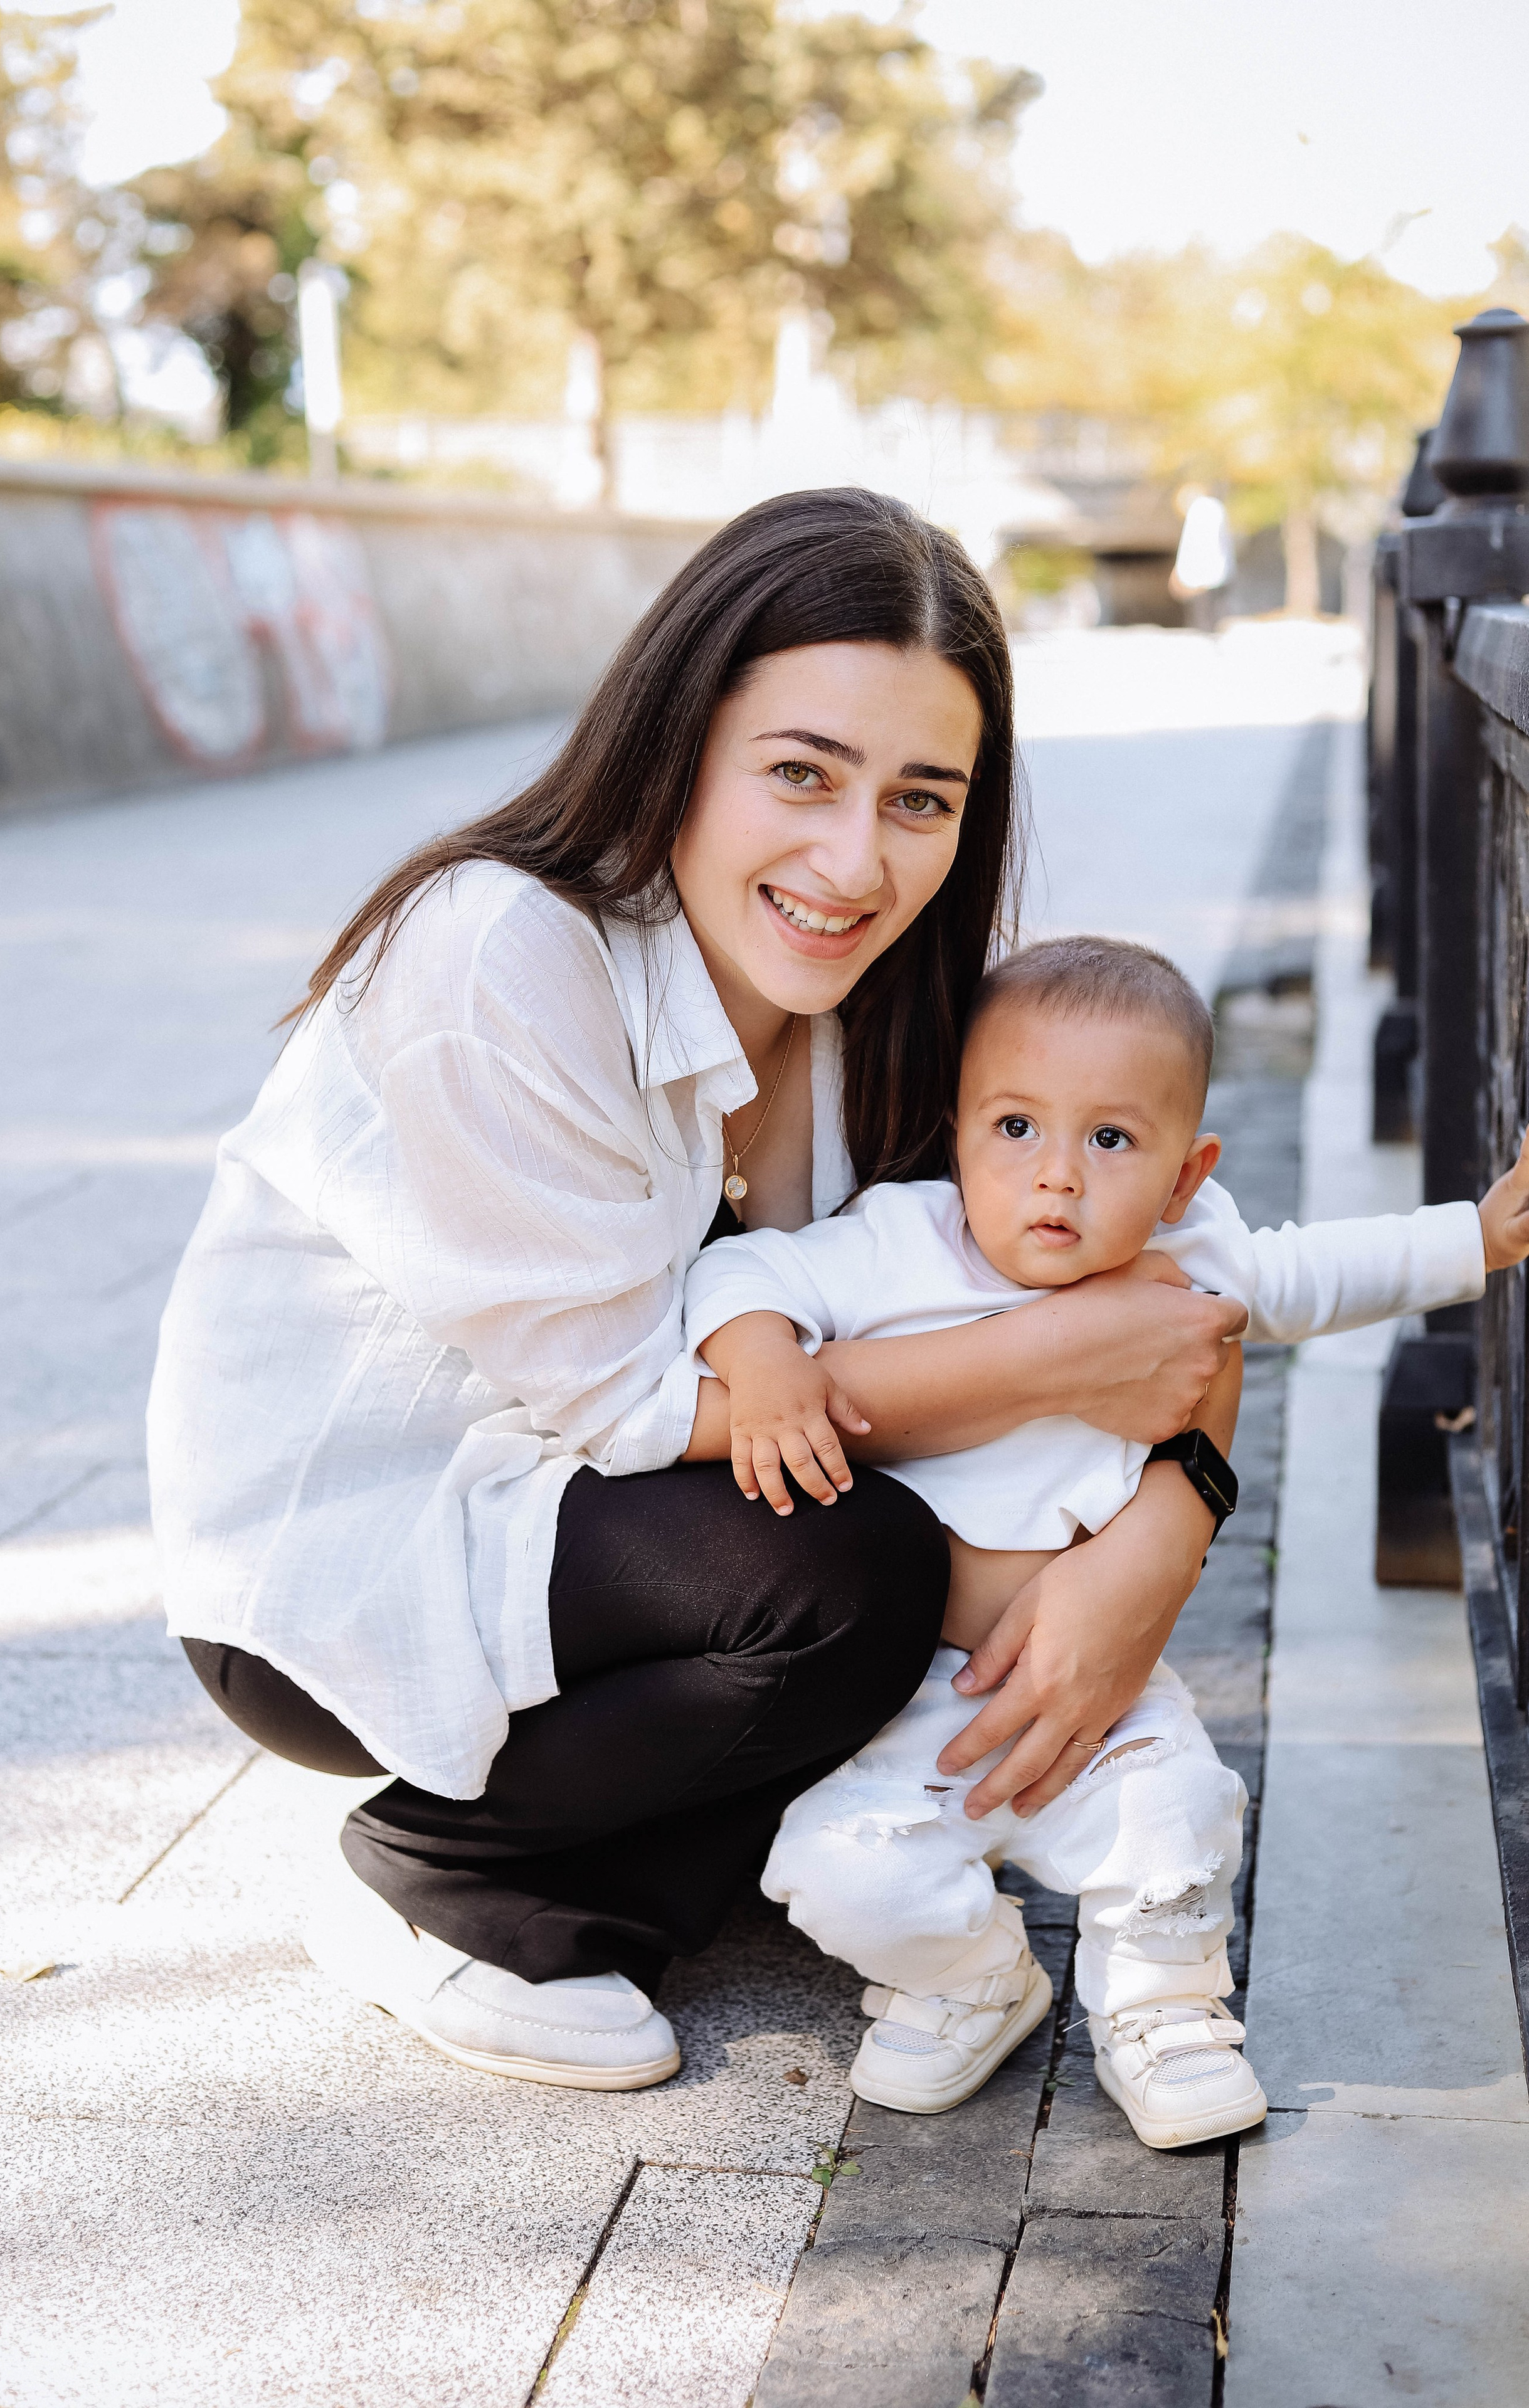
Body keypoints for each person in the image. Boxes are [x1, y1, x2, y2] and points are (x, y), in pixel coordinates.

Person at [147, 490, 1246, 2094]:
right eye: (799, 773)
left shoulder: (889, 994)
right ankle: (434, 1875)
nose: (853, 858)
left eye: (919, 800)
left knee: (884, 1559)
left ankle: (669, 1856)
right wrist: (1044, 1362)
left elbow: (1179, 1285)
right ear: (681, 741)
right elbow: (635, 1405)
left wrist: (1159, 1536)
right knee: (850, 1566)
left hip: (622, 1518)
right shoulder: (497, 956)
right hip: (360, 1560)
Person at [684, 934, 1529, 2145]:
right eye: (1015, 1128)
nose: (1057, 1181)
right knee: (834, 1866)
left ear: (1188, 1176)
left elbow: (1316, 1268)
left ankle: (1164, 2008)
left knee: (1175, 1808)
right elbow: (747, 1272)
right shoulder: (897, 1244)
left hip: (1106, 1696)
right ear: (960, 1127)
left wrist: (1479, 1239)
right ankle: (973, 1974)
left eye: (1111, 1141)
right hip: (916, 1697)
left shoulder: (1192, 1258)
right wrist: (764, 1358)